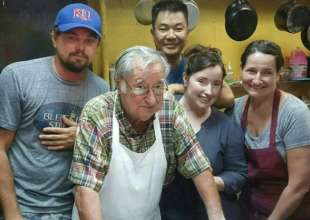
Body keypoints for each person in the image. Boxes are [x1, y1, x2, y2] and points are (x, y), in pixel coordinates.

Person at [69, 46, 225, 220]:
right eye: (140, 87)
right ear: (120, 84)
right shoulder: (98, 112)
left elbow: (198, 165)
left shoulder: (168, 108)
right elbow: (86, 190)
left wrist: (217, 216)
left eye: (158, 86)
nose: (151, 99)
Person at [0, 3, 109, 220]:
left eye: (89, 40)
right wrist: (12, 214)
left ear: (98, 44)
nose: (80, 47)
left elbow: (107, 153)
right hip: (24, 208)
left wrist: (83, 137)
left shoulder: (102, 90)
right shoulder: (17, 77)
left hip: (74, 210)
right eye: (71, 37)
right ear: (54, 38)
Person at [159, 44, 247, 220]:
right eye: (202, 81)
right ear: (185, 79)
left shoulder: (226, 127)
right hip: (168, 211)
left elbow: (239, 174)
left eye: (216, 84)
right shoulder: (163, 115)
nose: (209, 91)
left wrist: (206, 182)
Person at [231, 40, 310, 220]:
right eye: (251, 71)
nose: (257, 80)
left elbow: (299, 185)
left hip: (291, 212)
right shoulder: (235, 109)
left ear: (278, 75)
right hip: (249, 209)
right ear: (241, 70)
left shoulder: (294, 113)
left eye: (267, 73)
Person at [150, 0, 234, 107]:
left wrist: (178, 88)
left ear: (187, 32)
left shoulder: (195, 66)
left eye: (178, 29)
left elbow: (228, 98)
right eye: (163, 29)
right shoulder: (142, 67)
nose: (171, 36)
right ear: (153, 34)